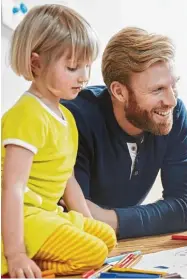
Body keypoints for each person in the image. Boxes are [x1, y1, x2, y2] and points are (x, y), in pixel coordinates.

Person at [1, 4, 116, 278]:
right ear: (36, 63)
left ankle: (37, 256)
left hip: (48, 215)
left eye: (87, 66)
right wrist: (15, 254)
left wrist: (85, 223)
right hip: (26, 218)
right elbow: (12, 188)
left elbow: (68, 179)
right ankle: (23, 266)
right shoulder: (27, 114)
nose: (84, 77)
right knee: (95, 253)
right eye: (73, 67)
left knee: (106, 237)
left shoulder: (65, 115)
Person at [61, 27, 187, 240]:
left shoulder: (173, 113)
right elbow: (77, 217)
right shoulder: (74, 119)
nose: (171, 100)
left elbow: (185, 206)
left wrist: (111, 219)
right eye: (157, 90)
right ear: (119, 92)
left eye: (173, 86)